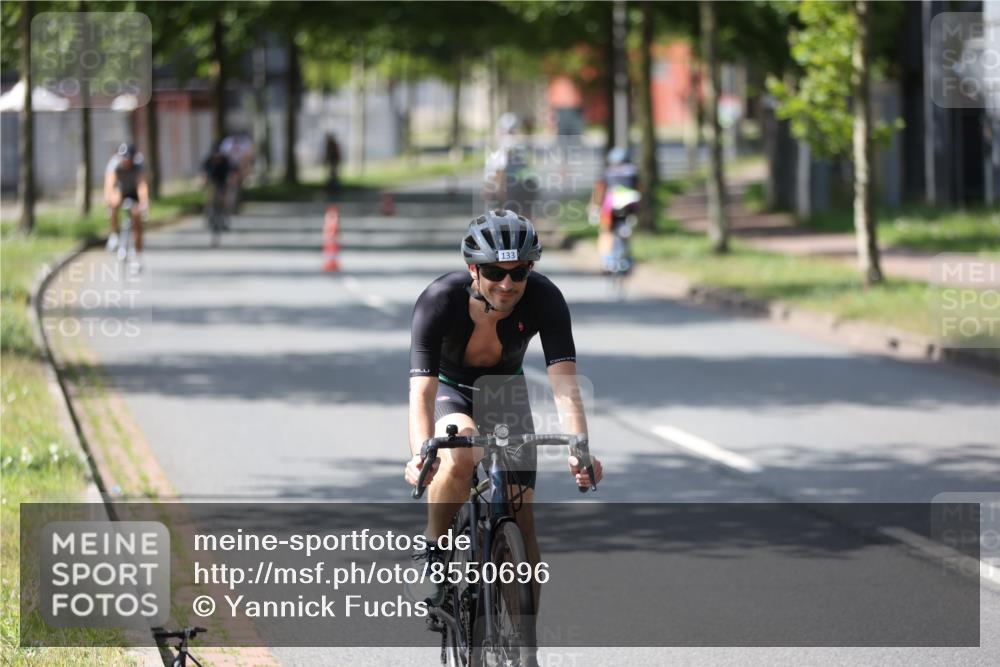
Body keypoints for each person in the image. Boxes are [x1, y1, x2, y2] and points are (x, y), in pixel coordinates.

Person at [404, 209, 604, 607]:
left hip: (504, 393)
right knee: (459, 456)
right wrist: (420, 455)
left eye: (519, 272)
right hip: (451, 389)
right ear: (472, 270)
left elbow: (564, 382)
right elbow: (422, 393)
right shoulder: (438, 300)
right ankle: (433, 551)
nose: (507, 284)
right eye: (495, 272)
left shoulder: (545, 297)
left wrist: (579, 448)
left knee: (521, 519)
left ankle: (522, 639)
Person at [590, 147, 639, 270]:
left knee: (605, 231)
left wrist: (595, 208)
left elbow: (599, 191)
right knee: (627, 230)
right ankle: (627, 256)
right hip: (630, 205)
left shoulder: (607, 172)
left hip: (611, 206)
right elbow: (638, 190)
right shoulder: (633, 172)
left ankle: (607, 260)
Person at [104, 143, 149, 271]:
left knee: (136, 216)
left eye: (128, 159)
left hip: (133, 191)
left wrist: (144, 203)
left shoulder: (139, 165)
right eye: (123, 158)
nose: (126, 161)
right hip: (120, 190)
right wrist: (110, 199)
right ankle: (114, 235)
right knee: (113, 205)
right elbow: (109, 185)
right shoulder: (114, 164)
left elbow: (142, 185)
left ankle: (137, 255)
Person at [201, 141, 236, 228]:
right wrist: (204, 181)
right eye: (215, 156)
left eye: (218, 156)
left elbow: (231, 173)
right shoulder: (208, 161)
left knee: (225, 199)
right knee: (210, 196)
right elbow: (204, 173)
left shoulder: (226, 161)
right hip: (212, 180)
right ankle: (209, 214)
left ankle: (226, 216)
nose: (217, 158)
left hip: (223, 180)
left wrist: (231, 180)